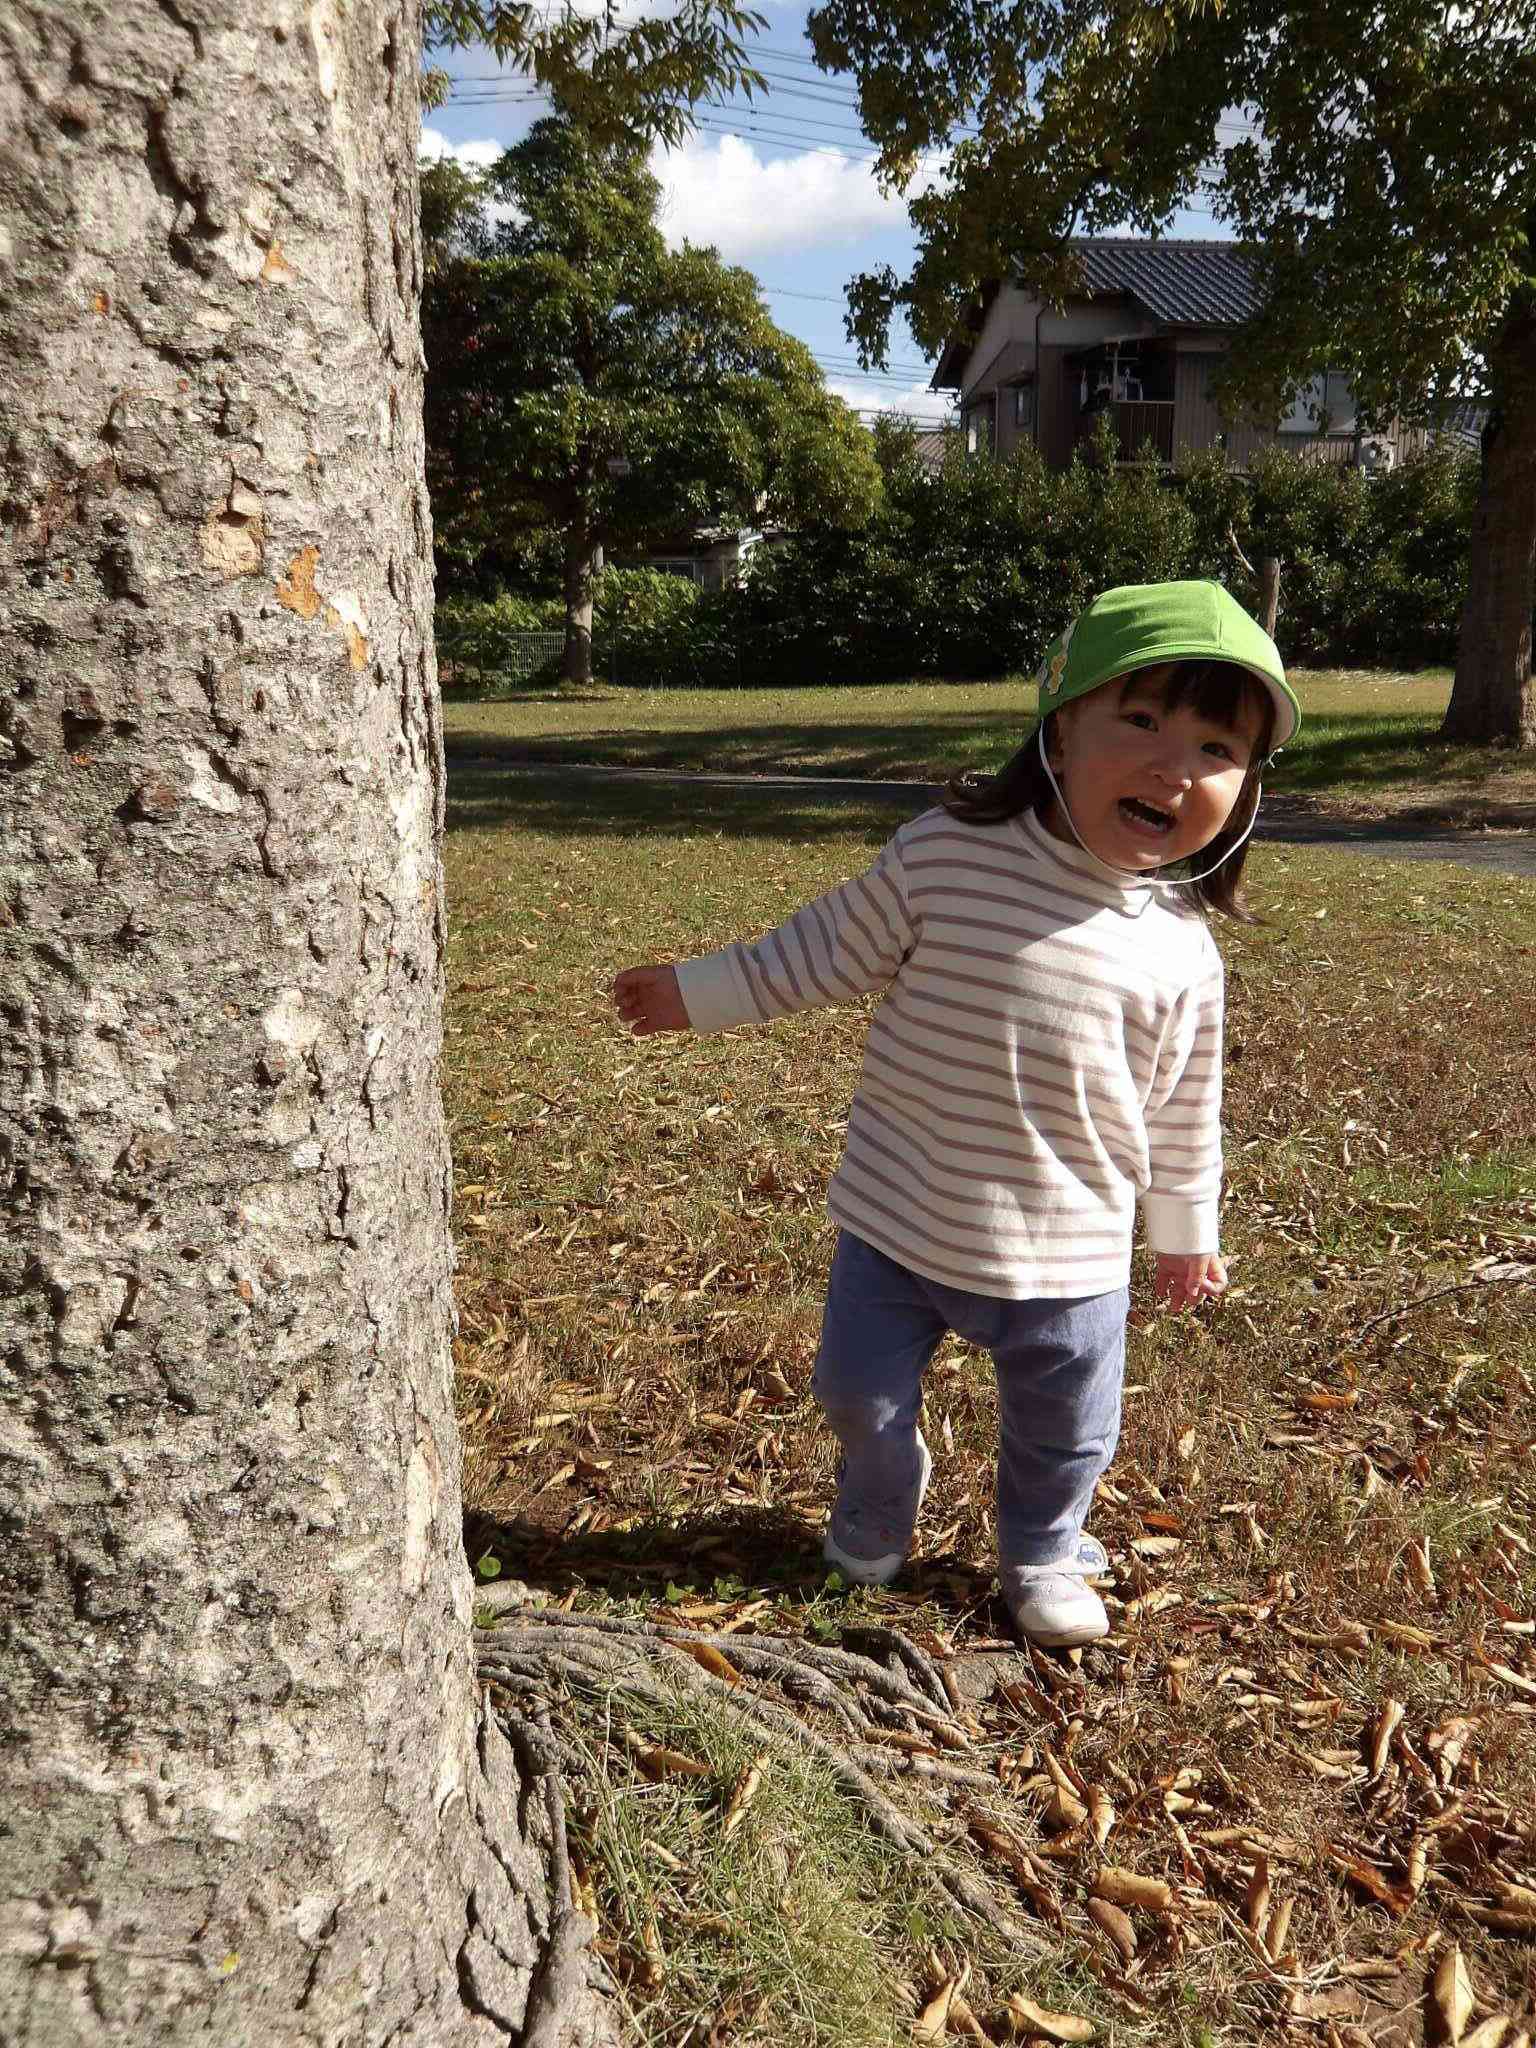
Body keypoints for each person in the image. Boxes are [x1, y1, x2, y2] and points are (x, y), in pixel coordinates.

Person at [612, 581, 1301, 1648]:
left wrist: (1185, 1233)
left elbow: (1185, 1112)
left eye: (1218, 746)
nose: (1175, 765)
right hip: (900, 1217)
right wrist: (695, 991)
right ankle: (880, 1501)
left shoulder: (1182, 953)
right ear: (1062, 724)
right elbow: (819, 950)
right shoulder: (945, 855)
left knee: (1065, 1432)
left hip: (1069, 1255)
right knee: (855, 1395)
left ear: (1247, 787)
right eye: (1144, 719)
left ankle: (1040, 1548)